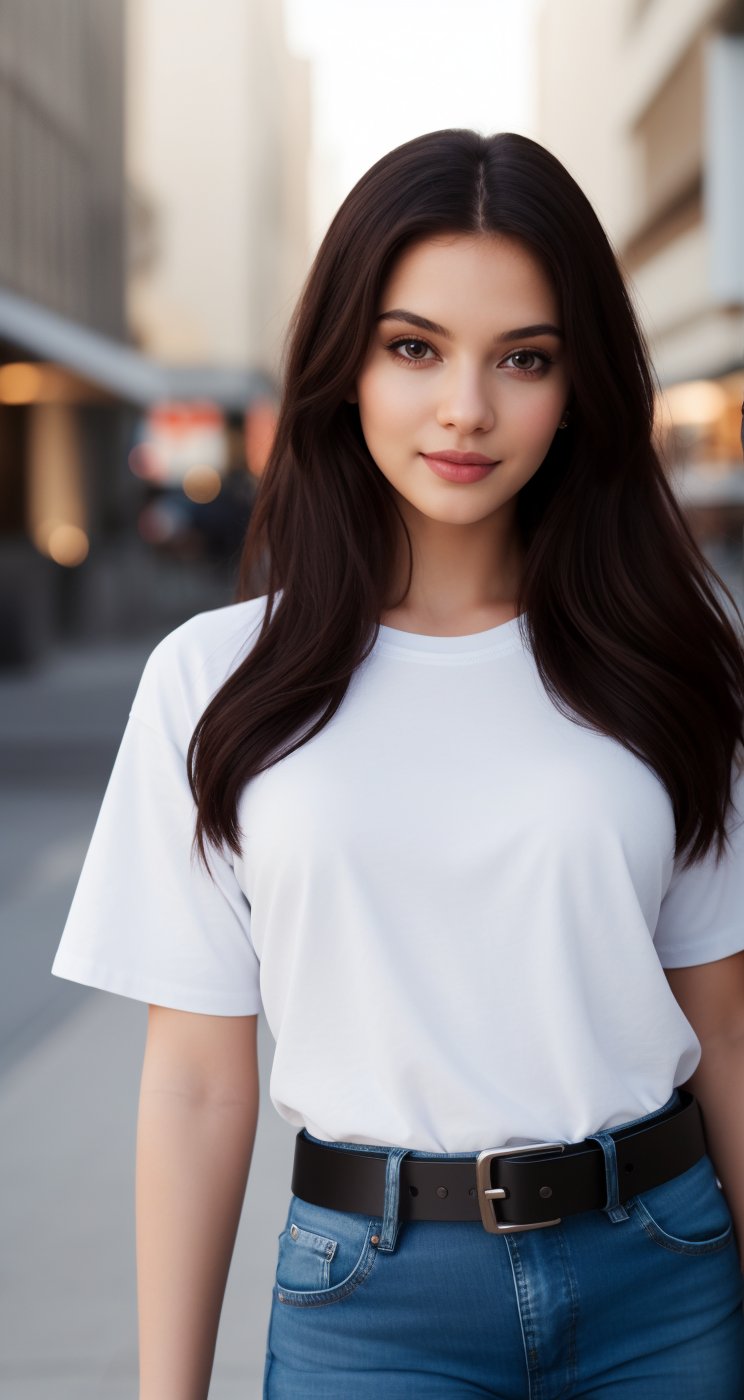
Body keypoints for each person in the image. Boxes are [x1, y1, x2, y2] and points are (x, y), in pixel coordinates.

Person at [51, 129, 744, 1399]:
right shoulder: (216, 682)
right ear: (344, 367)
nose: (466, 407)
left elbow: (730, 1030)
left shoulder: (670, 665)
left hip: (665, 1274)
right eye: (414, 347)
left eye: (523, 358)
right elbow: (200, 1084)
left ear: (580, 383)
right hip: (373, 1305)